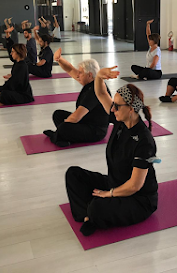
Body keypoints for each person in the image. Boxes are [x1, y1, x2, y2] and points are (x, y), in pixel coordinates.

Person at [65, 66, 159, 236]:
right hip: (115, 183)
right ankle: (88, 215)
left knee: (97, 206)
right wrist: (99, 77)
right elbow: (101, 94)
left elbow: (134, 186)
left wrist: (109, 194)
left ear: (131, 109)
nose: (113, 109)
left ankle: (92, 213)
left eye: (117, 106)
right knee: (73, 174)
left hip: (138, 200)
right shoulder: (120, 122)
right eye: (113, 105)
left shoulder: (144, 142)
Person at [42, 48, 111, 147]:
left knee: (64, 127)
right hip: (86, 121)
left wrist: (63, 127)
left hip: (95, 131)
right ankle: (62, 136)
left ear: (89, 75)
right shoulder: (91, 81)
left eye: (81, 73)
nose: (78, 75)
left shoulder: (95, 90)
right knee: (57, 114)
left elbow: (76, 117)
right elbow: (70, 69)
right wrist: (59, 59)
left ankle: (60, 136)